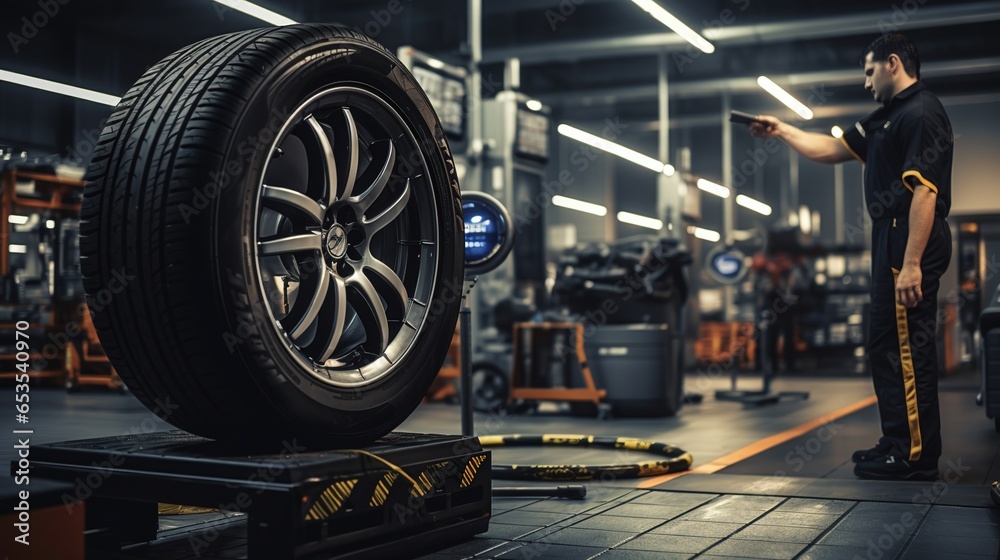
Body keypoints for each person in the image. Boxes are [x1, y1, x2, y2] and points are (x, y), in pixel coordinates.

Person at [747, 33, 953, 481]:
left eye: (868, 71)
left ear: (892, 63)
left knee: (906, 348)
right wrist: (781, 130)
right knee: (884, 345)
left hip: (908, 236)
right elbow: (833, 149)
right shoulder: (885, 117)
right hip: (888, 237)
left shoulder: (920, 112)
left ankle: (917, 456)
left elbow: (925, 191)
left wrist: (913, 262)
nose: (865, 82)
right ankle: (897, 441)